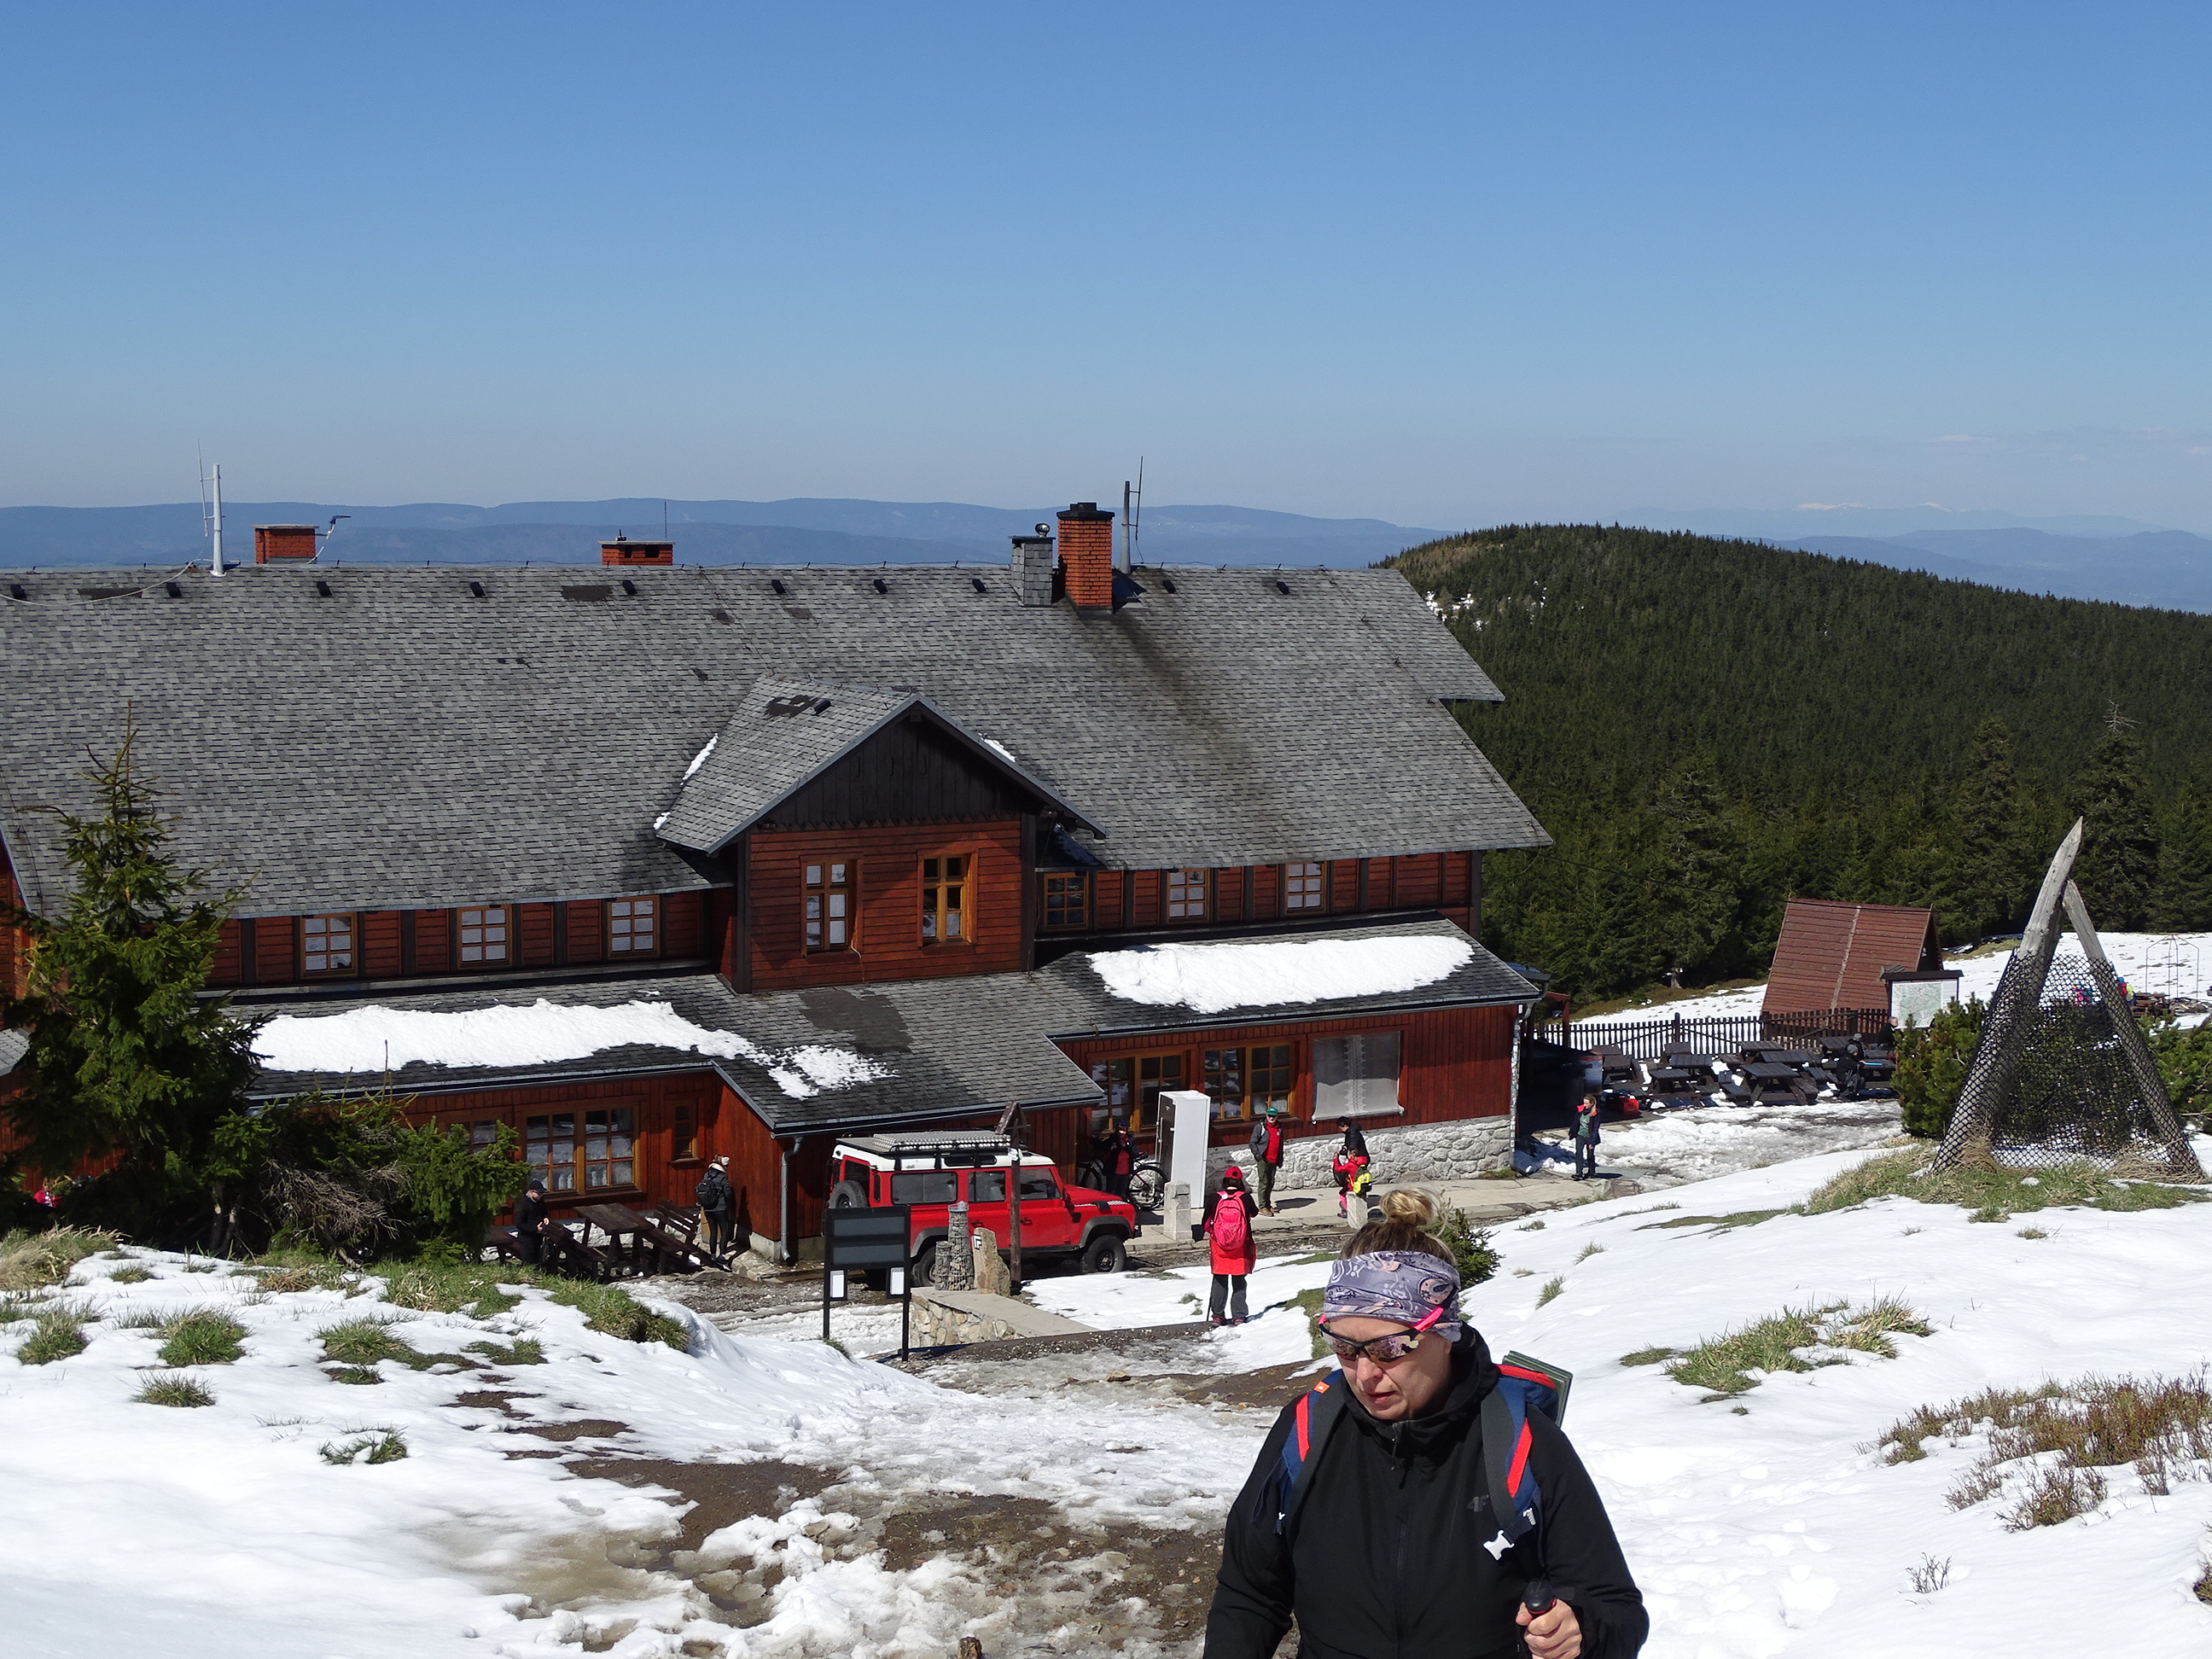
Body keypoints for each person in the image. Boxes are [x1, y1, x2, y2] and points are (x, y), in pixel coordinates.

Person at [1205, 1190, 1648, 1659]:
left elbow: (1617, 1608)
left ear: (1444, 1334)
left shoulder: (1519, 1438)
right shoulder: (1309, 1428)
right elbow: (1249, 1593)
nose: (1366, 1373)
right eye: (1345, 1348)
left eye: (1390, 1348)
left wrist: (1581, 1629)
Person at [1200, 1165, 1260, 1324]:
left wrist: (1216, 1233)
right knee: (1239, 1279)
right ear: (1240, 1182)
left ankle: (1218, 1315)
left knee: (1220, 1279)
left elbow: (1205, 1223)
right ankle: (1239, 1315)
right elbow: (1254, 1212)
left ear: (1225, 1181)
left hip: (1219, 1246)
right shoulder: (1245, 1198)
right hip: (1241, 1245)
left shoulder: (1215, 1198)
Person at [696, 1156, 735, 1263]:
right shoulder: (722, 1176)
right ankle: (722, 1255)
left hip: (707, 1208)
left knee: (713, 1232)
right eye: (726, 1166)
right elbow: (728, 1193)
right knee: (724, 1231)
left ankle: (713, 1255)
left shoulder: (706, 1175)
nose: (727, 1168)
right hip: (720, 1208)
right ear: (722, 1165)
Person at [1247, 1107, 1286, 1215]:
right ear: (1266, 1115)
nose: (1271, 1118)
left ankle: (1268, 1205)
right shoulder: (1260, 1127)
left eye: (1273, 1116)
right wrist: (1258, 1156)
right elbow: (1252, 1143)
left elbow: (1280, 1144)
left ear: (1277, 1116)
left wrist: (1280, 1158)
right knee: (1264, 1183)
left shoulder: (1279, 1127)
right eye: (1269, 1115)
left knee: (1270, 1183)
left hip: (1274, 1159)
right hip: (1264, 1159)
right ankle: (1262, 1207)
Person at [1331, 1117, 1371, 1222]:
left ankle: (1349, 1209)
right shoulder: (1352, 1132)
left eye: (1340, 1127)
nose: (1340, 1129)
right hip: (1361, 1159)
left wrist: (1340, 1157)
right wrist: (1345, 1150)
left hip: (1358, 1160)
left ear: (1345, 1126)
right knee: (1357, 1179)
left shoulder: (1352, 1133)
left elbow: (1352, 1146)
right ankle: (1354, 1201)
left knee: (1353, 1181)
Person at [514, 1173, 550, 1266]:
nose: (541, 1195)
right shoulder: (523, 1204)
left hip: (538, 1237)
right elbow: (519, 1224)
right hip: (527, 1239)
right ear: (531, 1192)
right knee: (528, 1263)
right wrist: (535, 1229)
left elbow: (544, 1211)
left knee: (537, 1261)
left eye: (542, 1193)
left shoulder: (540, 1201)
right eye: (539, 1193)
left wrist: (545, 1217)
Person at [1573, 1091, 1602, 1181]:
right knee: (1579, 1153)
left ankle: (1591, 1171)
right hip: (1580, 1135)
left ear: (1592, 1103)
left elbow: (1595, 1128)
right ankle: (1579, 1173)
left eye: (1586, 1103)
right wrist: (1572, 1131)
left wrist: (1592, 1142)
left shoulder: (1595, 1114)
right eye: (1584, 1103)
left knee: (1590, 1155)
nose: (1585, 1105)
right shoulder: (1581, 1111)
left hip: (1590, 1136)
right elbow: (1576, 1122)